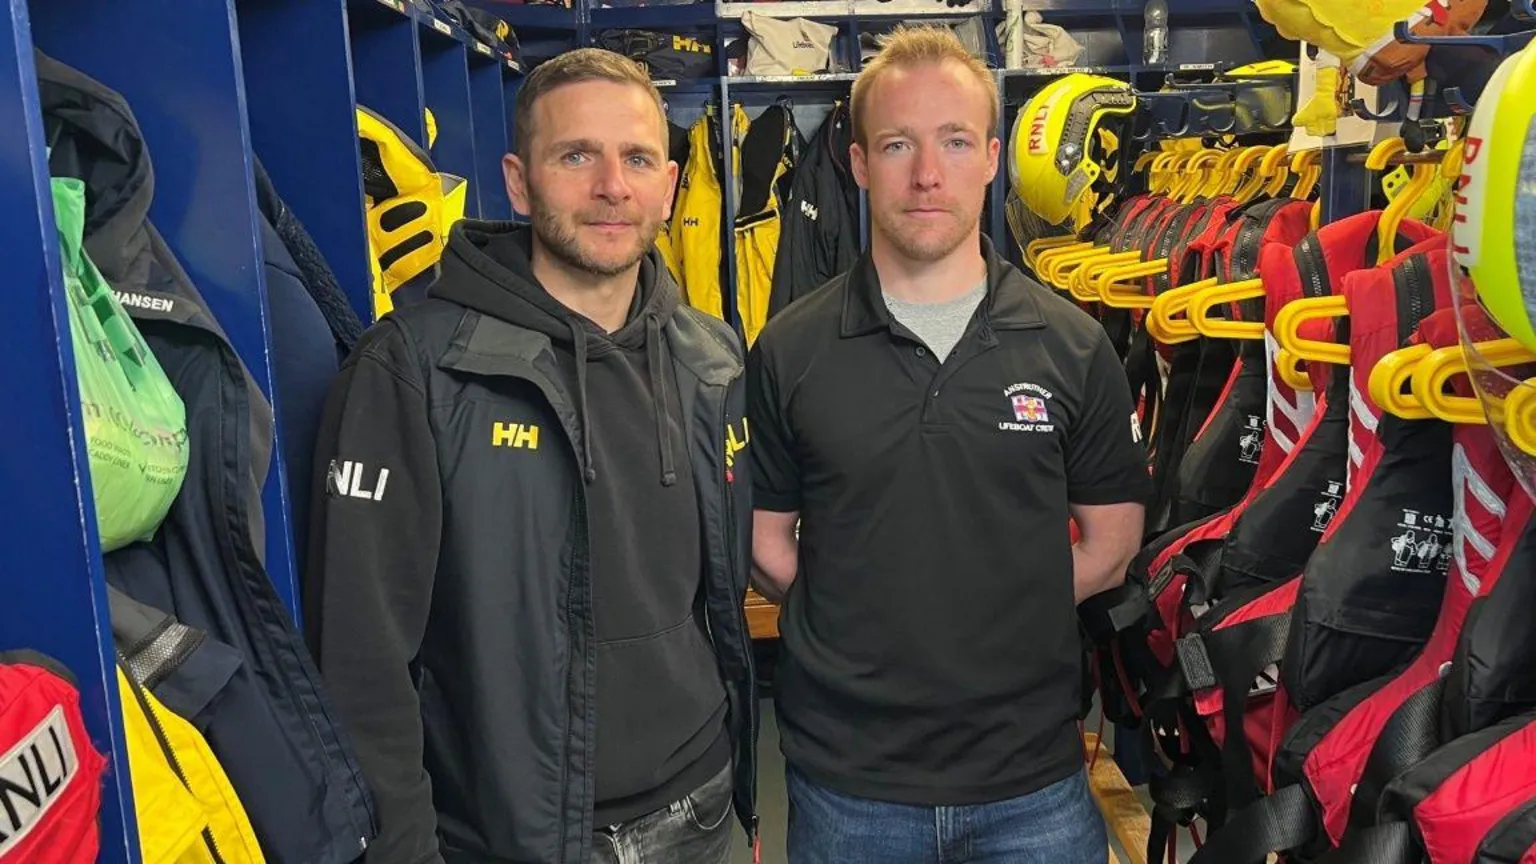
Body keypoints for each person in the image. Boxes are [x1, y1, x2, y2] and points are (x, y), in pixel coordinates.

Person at [306, 48, 758, 864]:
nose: (612, 186)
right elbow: (362, 663)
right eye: (576, 155)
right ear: (519, 183)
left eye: (637, 159)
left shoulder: (711, 357)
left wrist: (741, 802)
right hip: (518, 838)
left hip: (701, 816)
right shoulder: (414, 370)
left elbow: (713, 603)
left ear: (668, 184)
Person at [747, 25, 1150, 864]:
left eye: (955, 141)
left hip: (1031, 782)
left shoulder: (1073, 346)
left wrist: (996, 609)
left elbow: (1111, 545)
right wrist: (864, 619)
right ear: (858, 163)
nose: (927, 175)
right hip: (849, 786)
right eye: (897, 145)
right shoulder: (789, 349)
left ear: (992, 156)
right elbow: (764, 543)